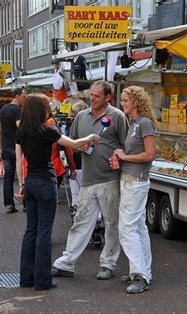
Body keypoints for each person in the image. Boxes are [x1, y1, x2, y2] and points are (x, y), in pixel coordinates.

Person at [15, 93, 99, 291]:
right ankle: (43, 280)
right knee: (44, 231)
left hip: (31, 181)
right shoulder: (48, 130)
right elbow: (74, 144)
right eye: (46, 107)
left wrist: (21, 183)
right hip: (45, 180)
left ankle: (26, 278)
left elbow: (19, 160)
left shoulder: (21, 132)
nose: (49, 111)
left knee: (31, 230)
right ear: (40, 110)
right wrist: (91, 137)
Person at [52, 81, 129, 280]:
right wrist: (79, 147)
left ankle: (108, 264)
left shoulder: (117, 117)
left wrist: (119, 161)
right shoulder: (81, 116)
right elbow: (72, 141)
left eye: (96, 96)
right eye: (91, 95)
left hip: (110, 179)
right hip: (88, 178)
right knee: (80, 221)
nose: (92, 99)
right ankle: (67, 262)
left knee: (112, 223)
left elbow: (126, 146)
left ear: (107, 97)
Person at [112, 86, 157, 294]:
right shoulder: (134, 124)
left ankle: (140, 274)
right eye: (122, 100)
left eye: (125, 100)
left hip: (136, 181)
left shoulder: (144, 123)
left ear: (136, 102)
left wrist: (124, 156)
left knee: (127, 228)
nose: (122, 104)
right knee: (138, 227)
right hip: (131, 179)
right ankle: (141, 272)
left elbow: (149, 155)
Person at [0, 87, 27, 213]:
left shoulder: (3, 110)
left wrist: (0, 148)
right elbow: (20, 129)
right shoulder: (18, 110)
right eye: (24, 96)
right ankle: (26, 203)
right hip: (17, 148)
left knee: (8, 176)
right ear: (17, 96)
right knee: (23, 174)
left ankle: (9, 204)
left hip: (6, 148)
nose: (25, 99)